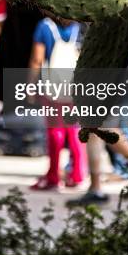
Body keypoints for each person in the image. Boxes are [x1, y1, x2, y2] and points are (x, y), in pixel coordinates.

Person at [29, 17, 86, 190]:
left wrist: (30, 85)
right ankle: (77, 174)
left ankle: (53, 176)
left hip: (53, 85)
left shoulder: (44, 26)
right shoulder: (79, 27)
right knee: (75, 128)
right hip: (75, 85)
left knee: (55, 129)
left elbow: (37, 59)